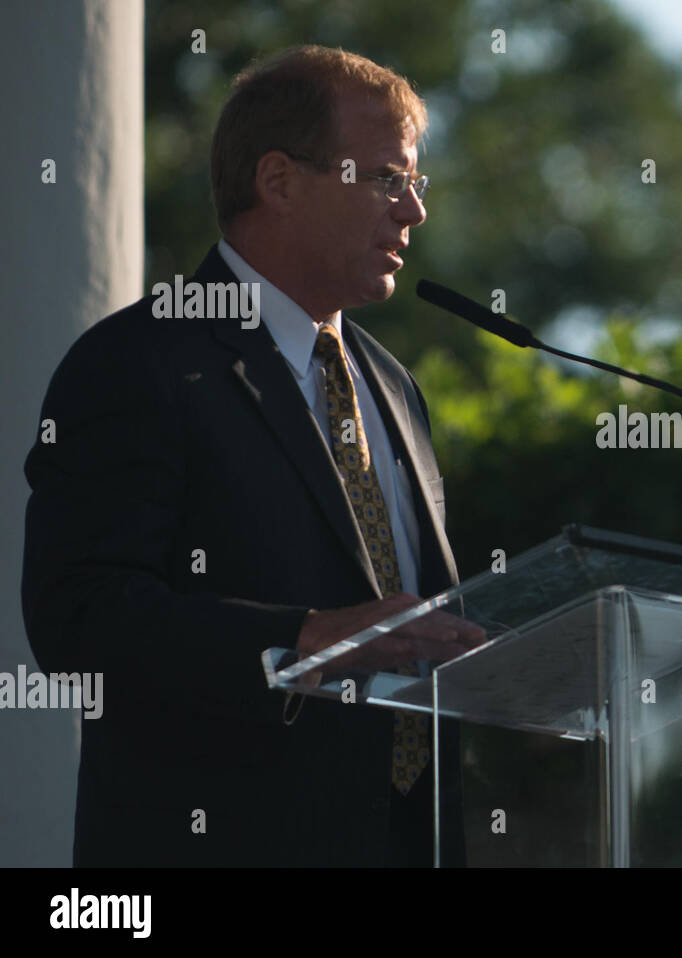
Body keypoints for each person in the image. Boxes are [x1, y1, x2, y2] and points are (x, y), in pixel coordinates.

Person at [21, 45, 485, 867]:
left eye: (417, 183)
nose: (413, 211)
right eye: (385, 178)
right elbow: (79, 617)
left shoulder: (392, 386)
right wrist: (306, 637)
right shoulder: (142, 360)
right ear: (279, 181)